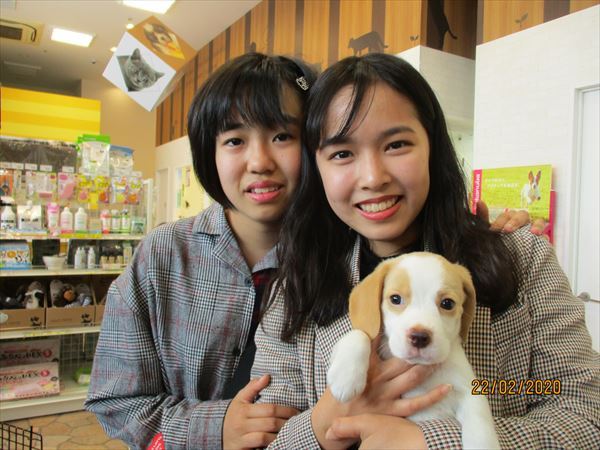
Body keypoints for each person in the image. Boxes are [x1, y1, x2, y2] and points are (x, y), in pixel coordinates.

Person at [251, 53, 599, 449]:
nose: (373, 178)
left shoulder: (523, 258)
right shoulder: (295, 287)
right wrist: (325, 423)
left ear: (432, 145)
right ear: (317, 168)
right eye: (342, 153)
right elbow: (267, 437)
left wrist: (432, 442)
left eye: (396, 144)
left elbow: (587, 414)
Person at [85, 53, 317, 450]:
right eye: (235, 141)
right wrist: (215, 427)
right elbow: (116, 401)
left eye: (282, 136)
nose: (260, 162)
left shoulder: (344, 259)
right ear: (210, 152)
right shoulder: (163, 256)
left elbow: (456, 382)